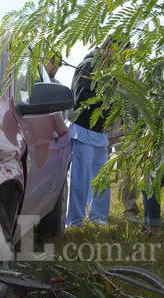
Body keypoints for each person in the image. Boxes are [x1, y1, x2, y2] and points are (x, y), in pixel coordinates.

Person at [65, 39, 118, 227]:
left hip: (100, 133)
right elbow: (80, 98)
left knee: (101, 180)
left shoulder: (110, 71)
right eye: (119, 52)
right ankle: (74, 221)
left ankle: (98, 218)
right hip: (83, 130)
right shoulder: (87, 66)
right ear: (109, 47)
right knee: (80, 181)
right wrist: (107, 102)